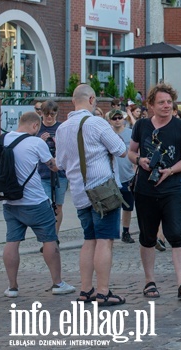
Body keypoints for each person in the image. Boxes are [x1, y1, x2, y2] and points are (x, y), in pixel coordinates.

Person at [56, 84, 127, 306]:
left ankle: (86, 290)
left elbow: (59, 163)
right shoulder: (96, 123)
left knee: (89, 240)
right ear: (91, 99)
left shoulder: (62, 128)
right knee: (105, 240)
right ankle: (103, 292)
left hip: (78, 191)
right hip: (102, 190)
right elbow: (120, 149)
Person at [127, 83, 181, 300]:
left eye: (169, 102)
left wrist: (171, 170)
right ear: (151, 105)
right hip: (145, 189)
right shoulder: (141, 125)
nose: (167, 106)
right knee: (147, 236)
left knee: (177, 234)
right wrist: (140, 160)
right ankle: (149, 281)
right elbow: (130, 152)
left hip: (172, 188)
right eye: (161, 102)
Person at [2, 112, 76, 298]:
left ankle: (12, 287)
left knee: (12, 241)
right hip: (35, 200)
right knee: (49, 239)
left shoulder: (4, 139)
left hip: (10, 200)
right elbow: (54, 166)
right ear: (35, 126)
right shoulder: (37, 143)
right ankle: (57, 283)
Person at [37, 101, 68, 237]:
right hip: (42, 173)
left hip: (60, 173)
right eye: (46, 114)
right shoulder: (37, 128)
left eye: (52, 114)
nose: (49, 117)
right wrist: (40, 142)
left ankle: (54, 235)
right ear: (41, 114)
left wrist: (58, 144)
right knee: (46, 206)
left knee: (58, 205)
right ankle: (48, 235)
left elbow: (69, 150)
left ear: (56, 114)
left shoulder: (62, 128)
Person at [109, 109, 136, 243]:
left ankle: (126, 231)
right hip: (112, 177)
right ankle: (112, 232)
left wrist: (136, 166)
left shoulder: (130, 133)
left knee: (128, 206)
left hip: (128, 175)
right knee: (112, 207)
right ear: (110, 120)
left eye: (120, 117)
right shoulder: (108, 134)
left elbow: (137, 150)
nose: (117, 120)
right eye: (114, 118)